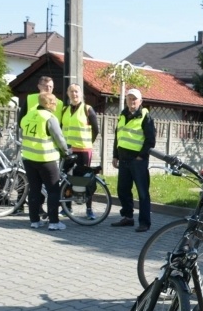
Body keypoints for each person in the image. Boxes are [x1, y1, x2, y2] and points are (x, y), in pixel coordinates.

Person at [20, 92, 70, 231]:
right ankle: (54, 222)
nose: (55, 104)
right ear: (47, 104)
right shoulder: (49, 118)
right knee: (53, 190)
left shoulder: (29, 115)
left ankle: (34, 221)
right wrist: (66, 152)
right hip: (46, 159)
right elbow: (59, 138)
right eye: (53, 102)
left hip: (29, 158)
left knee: (34, 189)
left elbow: (22, 131)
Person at [111, 88, 156, 232]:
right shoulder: (122, 115)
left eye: (134, 99)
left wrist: (140, 156)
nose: (132, 101)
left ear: (140, 101)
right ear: (126, 100)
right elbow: (118, 137)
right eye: (129, 98)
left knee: (142, 193)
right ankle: (128, 217)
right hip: (123, 159)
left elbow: (151, 140)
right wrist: (115, 155)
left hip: (138, 161)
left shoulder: (145, 116)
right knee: (122, 190)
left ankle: (144, 222)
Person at [60, 84, 100, 220]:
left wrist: (87, 142)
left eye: (76, 91)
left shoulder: (87, 109)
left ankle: (89, 209)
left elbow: (96, 130)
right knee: (66, 178)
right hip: (68, 150)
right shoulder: (64, 110)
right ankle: (67, 208)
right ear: (67, 94)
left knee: (85, 180)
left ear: (81, 93)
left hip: (83, 150)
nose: (74, 94)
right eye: (71, 91)